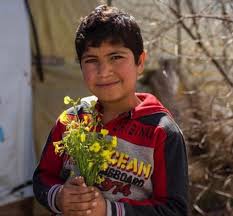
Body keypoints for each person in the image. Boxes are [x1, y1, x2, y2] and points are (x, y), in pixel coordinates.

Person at [33, 4, 188, 216]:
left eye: (116, 57)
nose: (104, 71)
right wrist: (59, 197)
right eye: (91, 60)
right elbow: (43, 177)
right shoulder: (71, 120)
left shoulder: (161, 132)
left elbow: (174, 210)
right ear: (80, 66)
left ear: (140, 62)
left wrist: (108, 210)